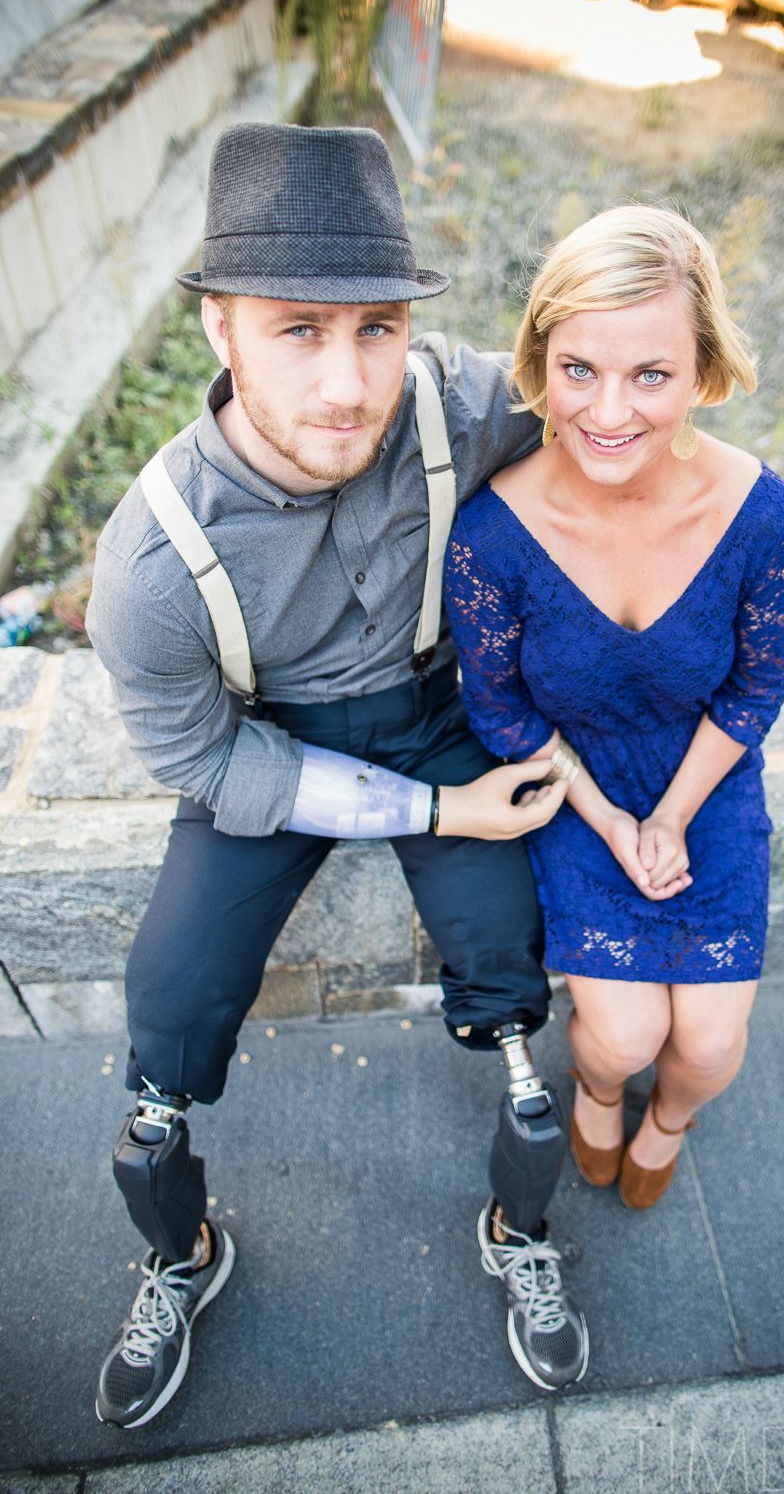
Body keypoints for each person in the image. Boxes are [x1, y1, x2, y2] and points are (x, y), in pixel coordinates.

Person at [85, 122, 590, 1430]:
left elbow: (607, 420)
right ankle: (183, 1255)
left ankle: (517, 1228)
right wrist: (440, 811)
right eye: (297, 330)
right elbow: (202, 754)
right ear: (219, 329)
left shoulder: (455, 400)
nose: (349, 381)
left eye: (377, 327)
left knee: (514, 981)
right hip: (271, 747)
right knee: (166, 1015)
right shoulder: (153, 565)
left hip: (436, 709)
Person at [443, 204, 784, 1219]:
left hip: (708, 781)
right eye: (579, 370)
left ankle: (670, 1121)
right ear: (540, 362)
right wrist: (612, 822)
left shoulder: (765, 516)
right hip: (576, 786)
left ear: (701, 373)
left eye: (650, 374)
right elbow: (501, 709)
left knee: (709, 1046)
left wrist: (674, 815)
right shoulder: (490, 535)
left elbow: (755, 689)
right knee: (621, 1038)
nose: (608, 412)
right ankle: (601, 1095)